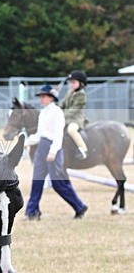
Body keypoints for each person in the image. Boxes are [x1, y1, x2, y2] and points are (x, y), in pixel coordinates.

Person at [25, 84, 88, 221]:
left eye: (43, 96)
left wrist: (53, 151)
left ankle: (79, 206)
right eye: (40, 96)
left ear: (51, 98)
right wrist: (26, 142)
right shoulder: (43, 113)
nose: (41, 99)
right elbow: (40, 134)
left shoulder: (57, 112)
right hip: (42, 146)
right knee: (37, 180)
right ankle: (32, 211)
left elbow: (58, 134)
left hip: (53, 148)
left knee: (58, 184)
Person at [60, 70, 88, 160]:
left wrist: (61, 116)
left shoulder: (81, 95)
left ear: (81, 84)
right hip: (66, 118)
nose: (71, 84)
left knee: (71, 130)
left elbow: (73, 110)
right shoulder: (69, 92)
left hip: (76, 119)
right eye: (70, 82)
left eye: (73, 82)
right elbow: (62, 104)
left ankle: (83, 149)